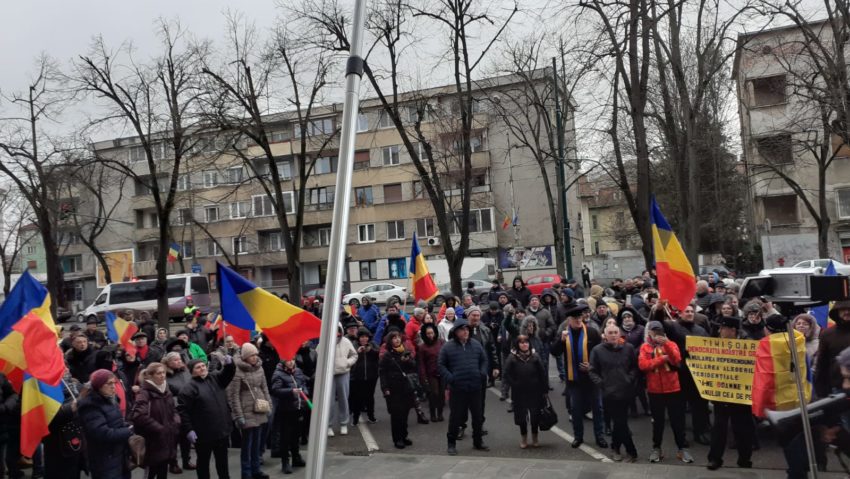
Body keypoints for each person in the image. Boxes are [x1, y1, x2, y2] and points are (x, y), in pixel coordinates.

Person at [551, 303, 607, 449]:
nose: (578, 320)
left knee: (597, 408)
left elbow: (601, 353)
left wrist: (592, 366)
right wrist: (560, 341)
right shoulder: (565, 334)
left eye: (580, 317)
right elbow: (554, 352)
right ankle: (578, 437)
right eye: (574, 318)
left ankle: (599, 436)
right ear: (568, 320)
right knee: (576, 409)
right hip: (573, 379)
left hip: (591, 378)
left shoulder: (592, 333)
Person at [638, 321, 692, 464]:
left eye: (659, 331)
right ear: (649, 332)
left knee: (677, 421)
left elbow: (677, 360)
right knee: (658, 422)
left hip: (673, 389)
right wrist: (662, 358)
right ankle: (657, 448)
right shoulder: (645, 347)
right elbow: (643, 366)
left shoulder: (671, 344)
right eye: (653, 331)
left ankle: (681, 449)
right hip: (654, 390)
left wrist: (667, 344)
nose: (656, 334)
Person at [706, 316, 754, 471]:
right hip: (721, 394)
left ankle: (744, 459)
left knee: (742, 429)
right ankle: (715, 458)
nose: (720, 331)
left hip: (741, 396)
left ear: (732, 330)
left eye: (723, 328)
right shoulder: (715, 344)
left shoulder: (747, 345)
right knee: (719, 428)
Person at [179, 356, 236, 479]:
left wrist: (229, 365)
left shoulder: (215, 377)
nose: (202, 368)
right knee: (203, 462)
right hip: (204, 434)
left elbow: (228, 374)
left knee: (223, 462)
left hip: (221, 430)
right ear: (192, 371)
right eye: (198, 367)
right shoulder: (188, 388)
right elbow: (183, 411)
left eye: (203, 366)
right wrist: (189, 429)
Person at [438, 318, 490, 455]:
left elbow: (484, 359)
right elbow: (441, 365)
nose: (466, 331)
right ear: (456, 332)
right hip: (458, 388)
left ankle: (478, 441)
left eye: (467, 329)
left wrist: (482, 372)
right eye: (462, 329)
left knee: (478, 417)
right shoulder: (448, 347)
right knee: (456, 417)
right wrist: (450, 378)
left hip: (475, 387)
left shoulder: (476, 344)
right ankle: (451, 443)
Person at [589, 323, 639, 462]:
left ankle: (615, 447)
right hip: (609, 393)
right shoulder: (597, 350)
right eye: (610, 333)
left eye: (615, 332)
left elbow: (634, 367)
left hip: (626, 391)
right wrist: (602, 384)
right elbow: (592, 371)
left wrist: (629, 379)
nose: (613, 335)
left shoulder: (628, 348)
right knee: (620, 422)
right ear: (604, 335)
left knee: (619, 423)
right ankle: (632, 451)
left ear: (620, 334)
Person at [226, 343, 272, 479]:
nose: (254, 357)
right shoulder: (237, 370)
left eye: (255, 354)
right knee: (247, 444)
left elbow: (265, 387)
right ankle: (246, 473)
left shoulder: (259, 367)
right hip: (245, 410)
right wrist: (238, 415)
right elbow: (233, 395)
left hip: (259, 408)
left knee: (257, 442)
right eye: (251, 355)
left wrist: (269, 404)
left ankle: (256, 470)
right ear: (245, 356)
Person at [77, 369, 133, 479]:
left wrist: (127, 426)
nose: (113, 387)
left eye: (114, 383)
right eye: (109, 383)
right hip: (104, 459)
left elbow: (116, 423)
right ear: (98, 386)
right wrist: (128, 431)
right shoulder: (90, 405)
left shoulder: (111, 399)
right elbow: (102, 433)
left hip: (119, 455)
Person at [130, 362, 181, 479]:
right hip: (153, 441)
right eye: (159, 373)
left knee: (163, 472)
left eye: (163, 372)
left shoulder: (166, 390)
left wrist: (176, 422)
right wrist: (159, 428)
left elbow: (173, 410)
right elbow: (138, 415)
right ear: (151, 376)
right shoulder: (145, 393)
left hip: (167, 438)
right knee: (152, 472)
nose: (162, 375)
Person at [502, 335, 547, 449]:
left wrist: (544, 389)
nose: (524, 344)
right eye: (521, 343)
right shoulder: (512, 357)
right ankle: (524, 437)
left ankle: (535, 436)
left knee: (535, 415)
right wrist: (514, 384)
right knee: (521, 417)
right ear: (517, 345)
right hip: (519, 392)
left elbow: (542, 373)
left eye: (526, 342)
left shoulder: (535, 356)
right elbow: (506, 373)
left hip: (535, 391)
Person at [270, 358, 308, 474]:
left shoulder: (298, 371)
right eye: (288, 360)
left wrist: (305, 392)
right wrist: (291, 391)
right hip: (285, 410)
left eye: (292, 359)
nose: (291, 362)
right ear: (283, 362)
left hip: (298, 408)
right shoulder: (278, 373)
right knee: (285, 437)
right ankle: (285, 462)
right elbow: (276, 390)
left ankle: (296, 457)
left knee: (296, 435)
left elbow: (304, 384)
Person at [379, 331, 417, 449]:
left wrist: (408, 361)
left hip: (405, 388)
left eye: (398, 337)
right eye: (394, 338)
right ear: (390, 341)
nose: (397, 340)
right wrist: (385, 388)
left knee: (405, 413)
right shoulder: (387, 355)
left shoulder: (405, 351)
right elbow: (382, 372)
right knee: (396, 415)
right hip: (393, 388)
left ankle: (404, 436)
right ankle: (397, 439)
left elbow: (413, 366)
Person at [321, 324, 357, 437]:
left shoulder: (346, 341)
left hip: (343, 373)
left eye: (338, 330)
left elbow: (354, 355)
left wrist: (347, 363)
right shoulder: (324, 341)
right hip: (329, 375)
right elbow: (318, 354)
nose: (336, 332)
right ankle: (328, 425)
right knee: (329, 401)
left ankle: (343, 423)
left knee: (344, 399)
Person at [163, 352, 194, 474]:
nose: (178, 362)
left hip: (188, 409)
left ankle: (187, 460)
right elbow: (167, 394)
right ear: (168, 363)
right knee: (174, 439)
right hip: (174, 410)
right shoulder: (165, 375)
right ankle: (173, 463)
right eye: (175, 360)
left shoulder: (185, 372)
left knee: (186, 437)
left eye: (179, 359)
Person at [815, 300, 850, 398]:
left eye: (849, 309)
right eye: (843, 309)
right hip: (837, 388)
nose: (846, 312)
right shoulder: (827, 334)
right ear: (837, 311)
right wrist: (821, 394)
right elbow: (821, 365)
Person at [350, 327, 379, 425]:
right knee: (357, 398)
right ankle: (355, 418)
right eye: (362, 337)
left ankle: (371, 416)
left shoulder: (373, 344)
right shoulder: (354, 345)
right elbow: (350, 358)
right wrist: (358, 352)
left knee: (370, 397)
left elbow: (378, 355)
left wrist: (370, 351)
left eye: (366, 337)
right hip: (358, 376)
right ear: (358, 338)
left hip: (372, 376)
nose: (364, 339)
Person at [417, 323, 445, 422]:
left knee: (442, 394)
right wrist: (423, 377)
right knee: (434, 394)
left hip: (442, 372)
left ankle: (440, 413)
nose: (430, 335)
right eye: (428, 333)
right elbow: (421, 364)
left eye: (432, 333)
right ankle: (433, 413)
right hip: (431, 374)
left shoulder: (441, 342)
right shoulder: (422, 347)